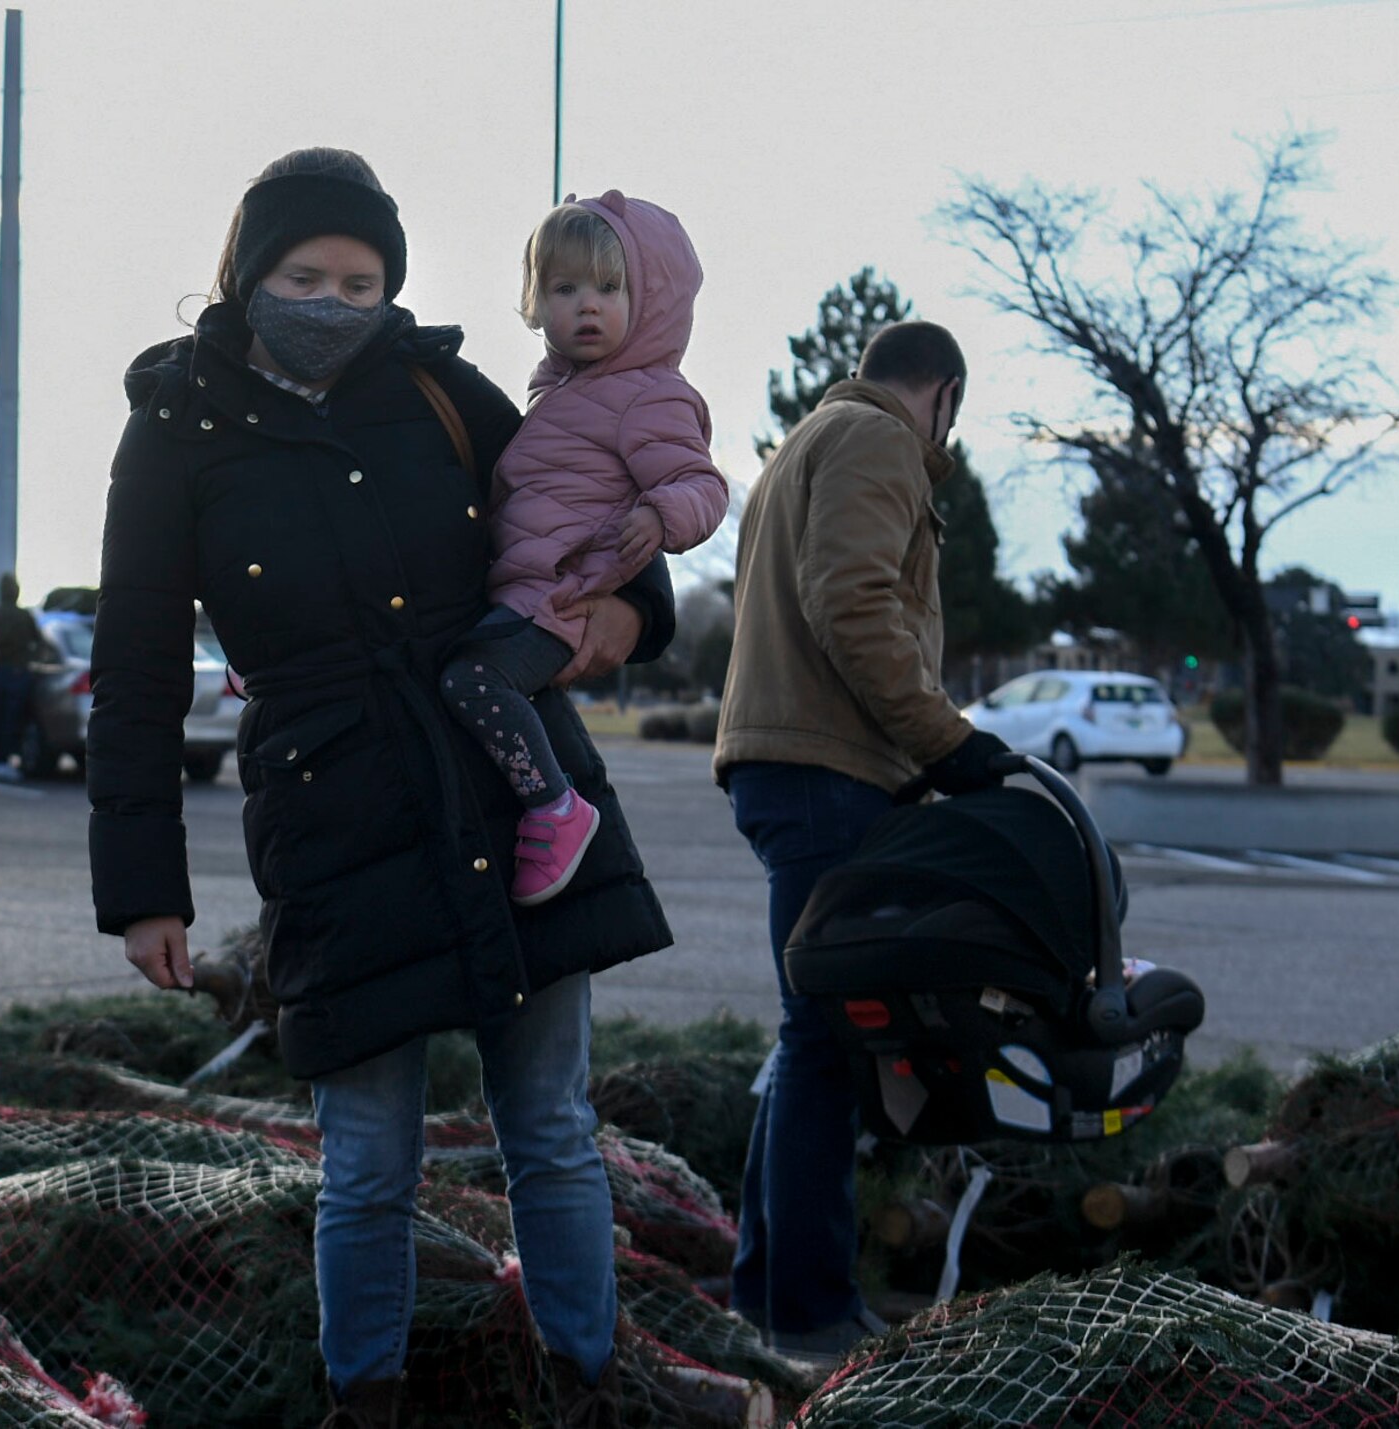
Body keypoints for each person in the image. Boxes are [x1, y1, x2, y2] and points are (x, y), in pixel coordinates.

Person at [86, 147, 678, 1429]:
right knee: (365, 1164)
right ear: (246, 277)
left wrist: (622, 615)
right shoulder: (177, 428)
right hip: (331, 815)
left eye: (361, 278)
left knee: (552, 1130)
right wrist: (141, 890)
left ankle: (584, 1387)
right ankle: (369, 1403)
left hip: (514, 797)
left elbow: (597, 528)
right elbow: (132, 666)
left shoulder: (442, 390)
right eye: (304, 274)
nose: (333, 300)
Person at [711, 320, 1011, 1361]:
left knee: (807, 1039)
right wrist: (947, 742)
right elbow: (853, 601)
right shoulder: (879, 440)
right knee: (826, 1047)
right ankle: (809, 1311)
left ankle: (763, 1294)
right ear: (943, 395)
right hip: (827, 771)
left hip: (788, 765)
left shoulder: (806, 437)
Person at [440, 193, 726, 908]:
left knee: (473, 681)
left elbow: (700, 481)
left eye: (609, 287)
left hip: (564, 597)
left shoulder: (648, 394)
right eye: (566, 289)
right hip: (528, 589)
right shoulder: (559, 394)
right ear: (539, 302)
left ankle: (555, 809)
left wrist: (663, 517)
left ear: (649, 300)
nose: (587, 306)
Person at [0, 571, 43, 781]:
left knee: (0, 719)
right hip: (18, 673)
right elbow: (39, 641)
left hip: (0, 671)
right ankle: (8, 760)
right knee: (13, 720)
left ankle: (0, 761)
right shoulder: (23, 616)